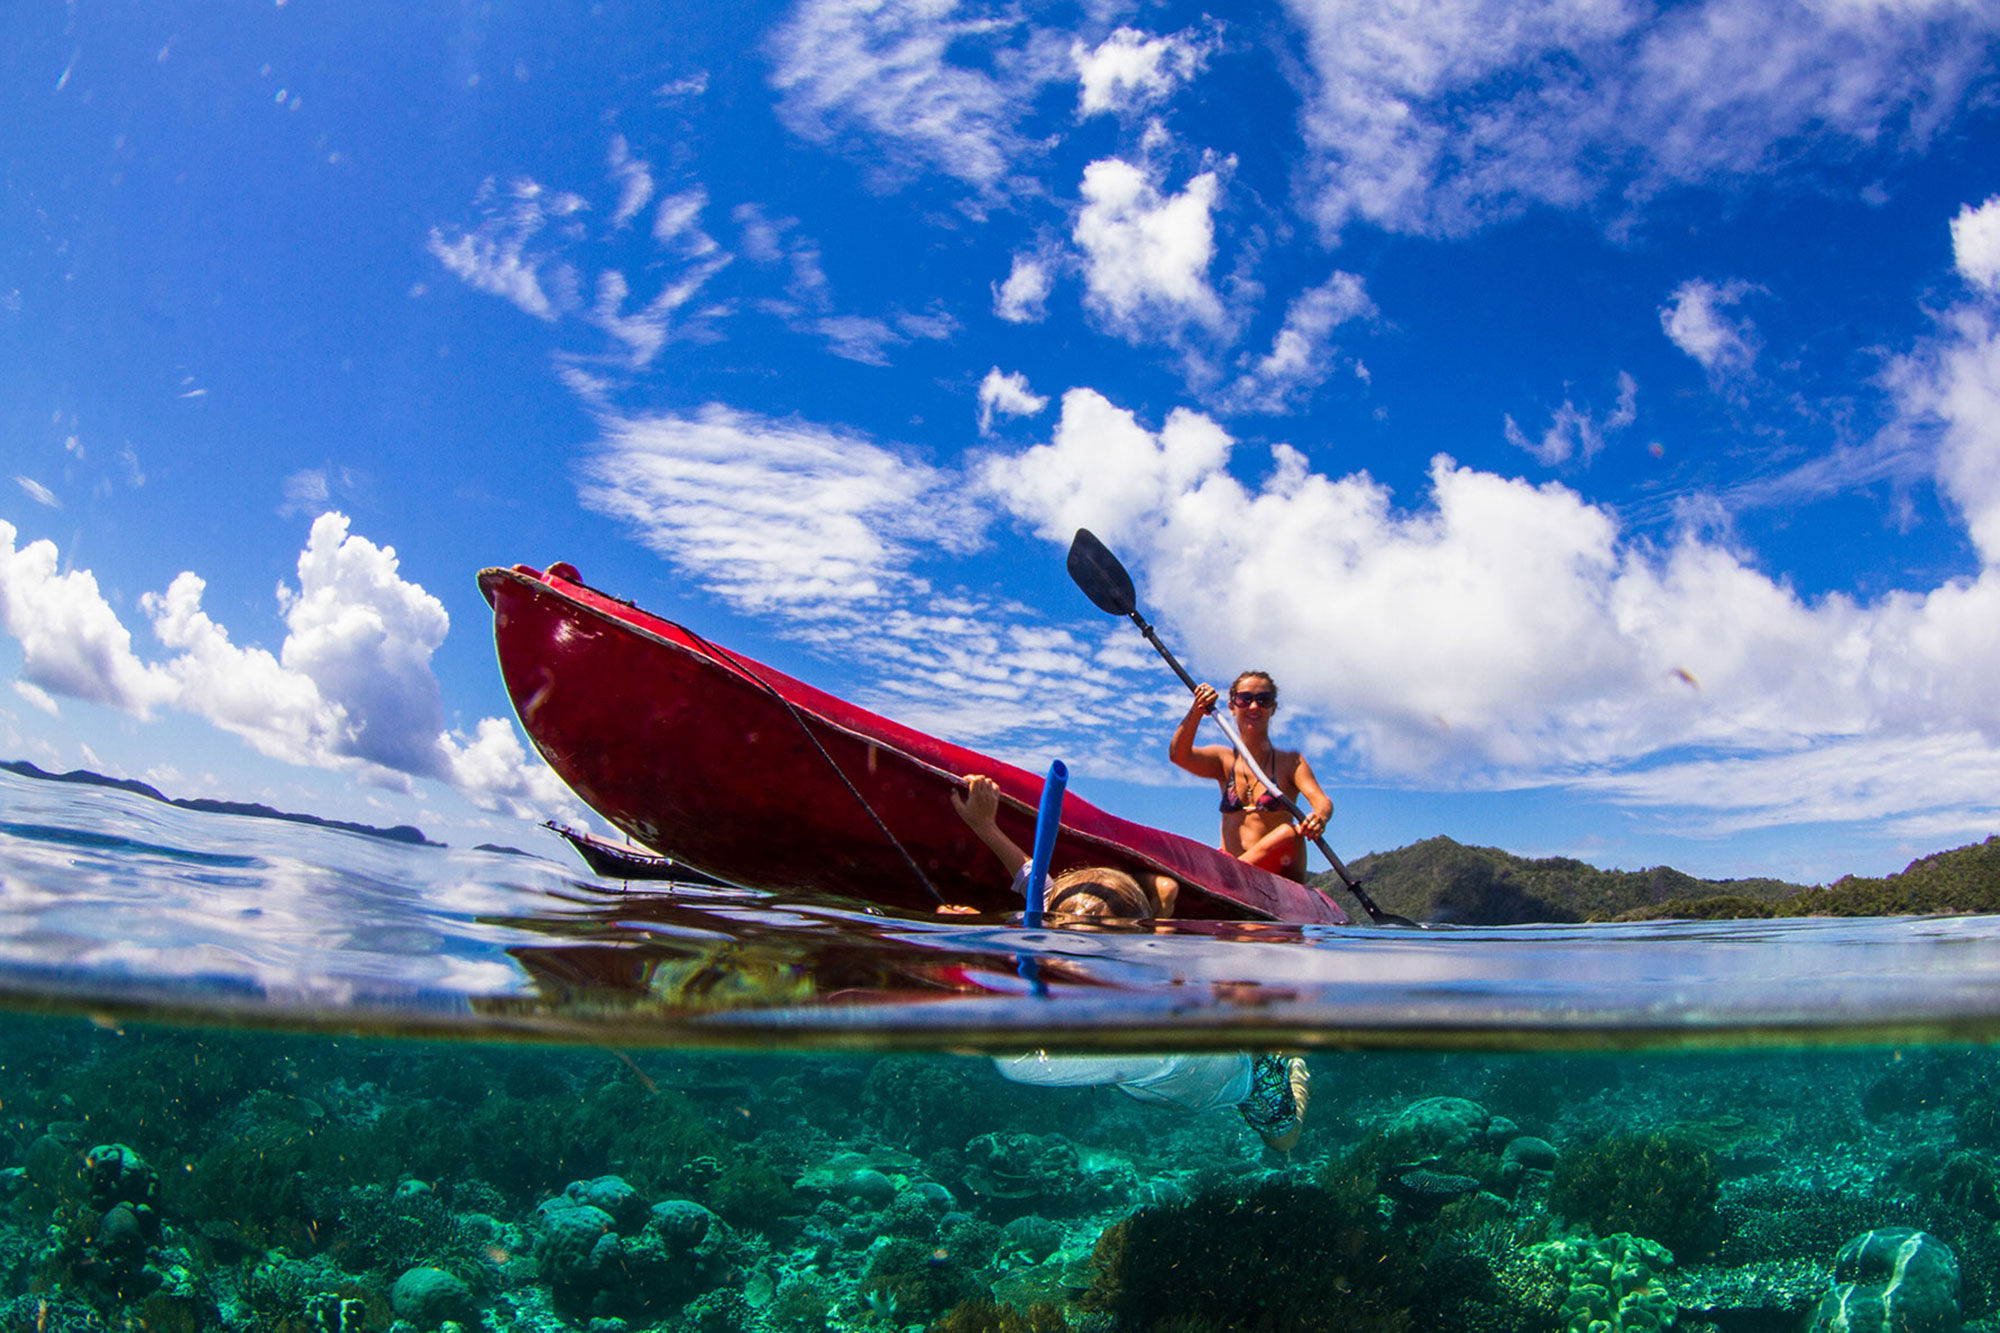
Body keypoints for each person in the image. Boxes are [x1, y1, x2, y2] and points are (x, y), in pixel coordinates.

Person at [949, 772, 1309, 1151]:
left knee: (1283, 1141)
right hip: (1186, 1056)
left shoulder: (1136, 1032)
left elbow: (1014, 1062)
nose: (1067, 966)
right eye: (1062, 947)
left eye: (1081, 960)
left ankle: (1295, 1063)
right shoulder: (1089, 942)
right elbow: (1044, 890)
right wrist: (984, 825)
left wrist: (979, 950)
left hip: (1244, 1070)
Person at [1170, 671, 1333, 883]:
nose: (1254, 706)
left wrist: (1319, 817)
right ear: (1231, 706)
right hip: (1235, 876)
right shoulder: (1223, 760)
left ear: (1273, 708)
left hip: (1279, 875)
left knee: (1289, 832)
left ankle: (1221, 880)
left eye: (1263, 700)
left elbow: (1322, 801)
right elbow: (1178, 755)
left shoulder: (1291, 762)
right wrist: (1198, 709)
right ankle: (1226, 878)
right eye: (1245, 699)